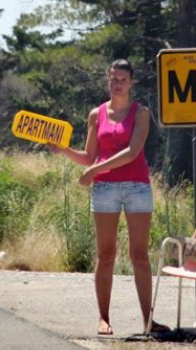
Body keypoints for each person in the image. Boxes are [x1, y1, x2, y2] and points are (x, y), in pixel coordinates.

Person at [49, 58, 169, 335]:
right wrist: (64, 149)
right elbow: (89, 156)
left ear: (131, 83)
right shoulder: (96, 114)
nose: (117, 84)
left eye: (122, 79)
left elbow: (132, 152)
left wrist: (93, 170)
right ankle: (103, 318)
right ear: (107, 80)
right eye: (113, 79)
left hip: (137, 187)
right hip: (105, 189)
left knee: (139, 255)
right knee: (106, 254)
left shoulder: (141, 113)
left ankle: (148, 321)